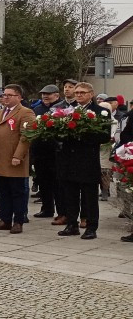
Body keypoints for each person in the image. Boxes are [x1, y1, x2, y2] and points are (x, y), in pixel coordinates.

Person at [58, 82, 112, 240]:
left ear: (91, 94)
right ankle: (72, 224)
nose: (79, 95)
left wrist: (82, 134)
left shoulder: (101, 112)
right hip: (69, 159)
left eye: (82, 92)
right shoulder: (68, 111)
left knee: (89, 197)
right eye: (77, 93)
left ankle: (91, 227)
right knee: (70, 194)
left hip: (87, 159)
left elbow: (103, 136)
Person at [0, 84, 35, 234]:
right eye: (3, 95)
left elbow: (27, 136)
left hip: (14, 159)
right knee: (4, 191)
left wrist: (18, 156)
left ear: (19, 97)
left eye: (9, 95)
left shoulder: (26, 112)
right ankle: (5, 219)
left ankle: (18, 220)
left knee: (17, 192)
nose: (5, 97)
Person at [31, 84, 63, 220]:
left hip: (56, 152)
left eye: (48, 94)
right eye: (43, 94)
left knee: (58, 184)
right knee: (43, 182)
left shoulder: (61, 108)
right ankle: (47, 208)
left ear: (56, 95)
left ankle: (62, 211)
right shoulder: (37, 109)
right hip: (40, 152)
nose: (45, 96)